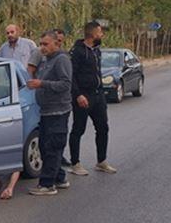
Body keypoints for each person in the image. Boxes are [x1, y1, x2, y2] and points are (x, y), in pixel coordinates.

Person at [67, 21, 117, 175]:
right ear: (93, 34)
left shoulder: (96, 50)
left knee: (103, 128)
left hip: (98, 95)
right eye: (100, 32)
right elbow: (71, 76)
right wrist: (78, 95)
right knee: (78, 130)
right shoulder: (77, 52)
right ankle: (75, 164)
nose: (102, 35)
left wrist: (101, 91)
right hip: (83, 96)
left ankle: (101, 161)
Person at [26, 30, 72, 195]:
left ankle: (47, 185)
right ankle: (59, 178)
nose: (42, 48)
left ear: (56, 44)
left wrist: (42, 84)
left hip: (57, 111)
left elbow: (65, 85)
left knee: (52, 147)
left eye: (46, 44)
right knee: (46, 147)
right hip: (46, 111)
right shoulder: (46, 60)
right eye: (41, 44)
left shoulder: (62, 60)